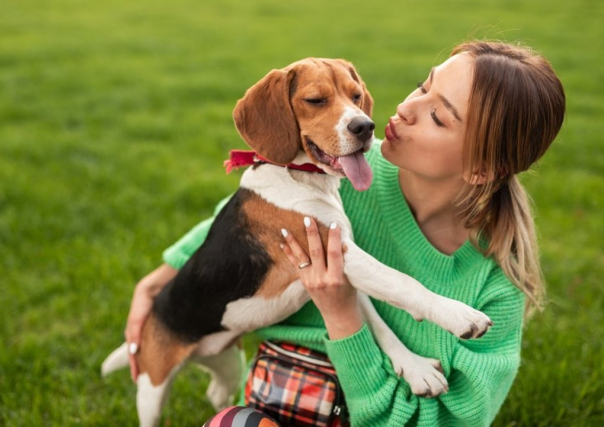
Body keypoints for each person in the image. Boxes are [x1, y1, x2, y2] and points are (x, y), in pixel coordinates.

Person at [124, 41, 565, 426]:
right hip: (276, 395)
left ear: (482, 168)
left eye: (436, 115)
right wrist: (159, 279)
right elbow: (246, 215)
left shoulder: (495, 287)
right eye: (422, 86)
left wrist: (341, 315)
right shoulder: (334, 167)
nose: (404, 108)